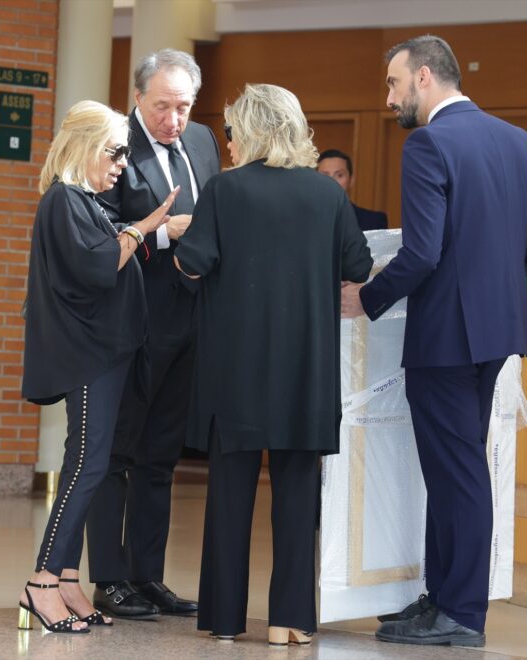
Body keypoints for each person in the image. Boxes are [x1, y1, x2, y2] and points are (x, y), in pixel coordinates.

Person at [340, 36, 527, 647]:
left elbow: (422, 253)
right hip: (498, 333)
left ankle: (460, 612)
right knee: (456, 469)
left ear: (426, 78)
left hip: (445, 337)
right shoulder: (518, 141)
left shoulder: (428, 142)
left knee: (457, 473)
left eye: (393, 83)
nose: (390, 98)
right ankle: (442, 598)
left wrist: (368, 300)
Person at [174, 83, 373, 645]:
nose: (229, 143)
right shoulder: (327, 195)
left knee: (231, 494)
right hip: (305, 369)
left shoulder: (224, 190)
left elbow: (194, 265)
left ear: (253, 130)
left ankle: (225, 619)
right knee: (295, 495)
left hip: (235, 368)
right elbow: (356, 265)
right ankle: (291, 620)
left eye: (233, 131)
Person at [18, 100, 179, 634]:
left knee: (95, 462)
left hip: (108, 354)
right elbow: (96, 265)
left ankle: (67, 578)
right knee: (87, 465)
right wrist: (147, 225)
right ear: (84, 147)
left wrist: (140, 232)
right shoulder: (63, 200)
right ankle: (41, 581)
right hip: (90, 355)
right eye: (114, 153)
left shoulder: (85, 202)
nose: (120, 166)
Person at [85, 48, 221, 620]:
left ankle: (148, 577)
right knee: (116, 453)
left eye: (183, 107)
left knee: (161, 456)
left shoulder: (206, 142)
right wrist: (163, 234)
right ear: (137, 97)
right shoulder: (114, 144)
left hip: (192, 320)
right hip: (133, 323)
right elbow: (96, 229)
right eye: (162, 106)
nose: (173, 120)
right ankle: (109, 579)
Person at [317, 149, 389, 230]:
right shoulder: (303, 220)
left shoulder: (374, 221)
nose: (332, 182)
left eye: (339, 175)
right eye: (325, 176)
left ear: (351, 180)